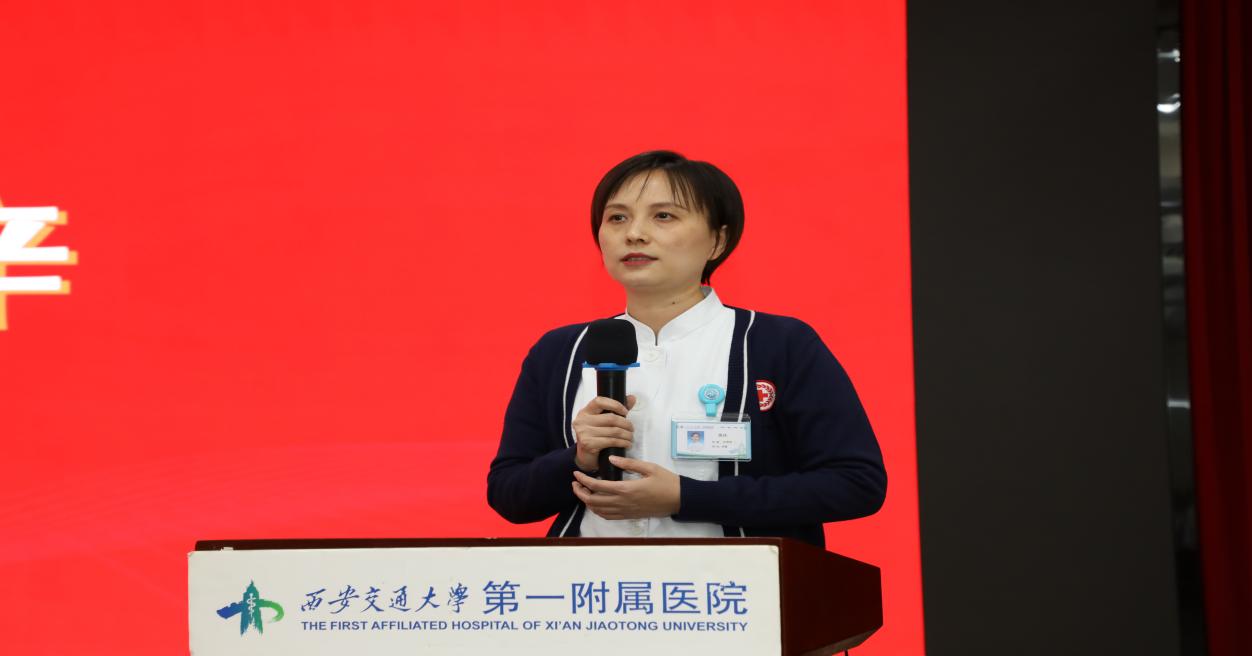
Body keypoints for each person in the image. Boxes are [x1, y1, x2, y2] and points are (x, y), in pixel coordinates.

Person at [487, 150, 886, 547]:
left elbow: (855, 482)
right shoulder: (560, 351)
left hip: (735, 584)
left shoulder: (779, 343)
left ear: (718, 240)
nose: (634, 233)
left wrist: (685, 497)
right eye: (617, 218)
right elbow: (508, 494)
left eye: (663, 216)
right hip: (589, 583)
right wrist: (577, 458)